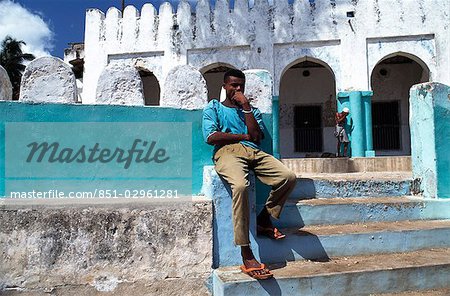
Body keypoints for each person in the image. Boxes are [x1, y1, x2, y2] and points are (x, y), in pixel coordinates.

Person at [202, 69, 297, 280]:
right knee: (241, 186)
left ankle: (264, 218)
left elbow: (256, 137)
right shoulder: (214, 107)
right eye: (233, 85)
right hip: (227, 153)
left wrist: (245, 107)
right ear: (225, 86)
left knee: (287, 177)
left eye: (241, 86)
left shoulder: (251, 111)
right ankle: (246, 251)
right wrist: (242, 135)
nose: (237, 89)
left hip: (254, 152)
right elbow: (211, 136)